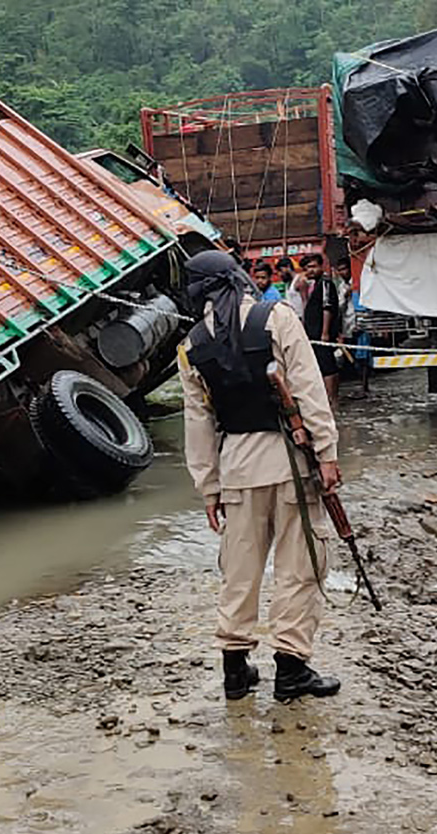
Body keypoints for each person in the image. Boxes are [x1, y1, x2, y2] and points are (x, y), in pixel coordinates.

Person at [178, 250, 342, 704]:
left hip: (236, 469)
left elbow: (199, 425)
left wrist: (208, 487)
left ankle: (235, 668)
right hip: (291, 462)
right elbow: (310, 391)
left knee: (240, 568)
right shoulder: (278, 318)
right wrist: (327, 453)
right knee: (299, 566)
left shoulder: (191, 345)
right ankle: (290, 669)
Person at [300, 253, 342, 407]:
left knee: (327, 365)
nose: (310, 270)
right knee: (322, 364)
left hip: (321, 333)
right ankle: (329, 398)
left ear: (321, 266)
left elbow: (327, 308)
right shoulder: (314, 285)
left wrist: (325, 332)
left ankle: (332, 399)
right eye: (307, 268)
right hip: (314, 333)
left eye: (312, 266)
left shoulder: (325, 283)